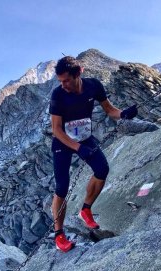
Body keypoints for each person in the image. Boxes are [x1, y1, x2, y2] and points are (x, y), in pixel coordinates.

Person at [49, 56, 137, 252]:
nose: (63, 85)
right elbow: (56, 130)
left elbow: (109, 110)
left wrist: (123, 114)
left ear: (78, 73)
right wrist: (78, 148)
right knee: (62, 187)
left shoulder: (93, 86)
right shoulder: (58, 94)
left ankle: (86, 209)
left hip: (84, 136)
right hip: (63, 141)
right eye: (60, 81)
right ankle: (59, 235)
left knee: (102, 169)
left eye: (66, 80)